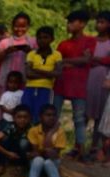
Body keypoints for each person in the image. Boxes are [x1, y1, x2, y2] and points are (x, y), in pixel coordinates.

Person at [53, 10, 96, 160]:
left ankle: (81, 151)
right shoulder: (63, 44)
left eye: (73, 21)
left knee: (79, 118)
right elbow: (57, 64)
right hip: (61, 83)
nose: (69, 25)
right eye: (68, 22)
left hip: (79, 85)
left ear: (82, 24)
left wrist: (66, 62)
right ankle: (52, 148)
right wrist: (75, 61)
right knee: (54, 116)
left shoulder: (90, 41)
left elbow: (87, 60)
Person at [26, 104, 66, 177]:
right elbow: (41, 152)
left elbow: (53, 154)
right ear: (41, 117)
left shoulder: (60, 132)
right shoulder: (33, 130)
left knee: (48, 162)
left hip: (52, 161)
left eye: (53, 115)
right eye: (48, 115)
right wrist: (51, 133)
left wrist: (51, 132)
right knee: (38, 160)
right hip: (38, 160)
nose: (51, 117)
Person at [21, 27, 62, 125]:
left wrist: (37, 70)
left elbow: (58, 73)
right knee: (27, 113)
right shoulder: (31, 54)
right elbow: (28, 74)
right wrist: (49, 74)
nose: (42, 40)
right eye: (39, 38)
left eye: (45, 37)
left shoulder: (57, 55)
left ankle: (39, 138)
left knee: (42, 116)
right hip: (29, 89)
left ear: (52, 39)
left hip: (46, 90)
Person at [0, 12, 37, 99]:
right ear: (12, 26)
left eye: (23, 26)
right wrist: (6, 52)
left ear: (28, 26)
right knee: (5, 105)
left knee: (23, 108)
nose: (19, 29)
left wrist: (30, 52)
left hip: (26, 81)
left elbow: (41, 61)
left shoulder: (33, 42)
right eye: (16, 26)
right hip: (7, 82)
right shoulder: (4, 42)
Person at [86, 10, 110, 160]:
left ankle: (96, 147)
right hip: (89, 79)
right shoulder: (91, 41)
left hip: (104, 81)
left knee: (100, 115)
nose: (99, 24)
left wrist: (95, 59)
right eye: (98, 21)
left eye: (102, 22)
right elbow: (85, 58)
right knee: (84, 112)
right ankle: (80, 145)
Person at [0, 104, 31, 177]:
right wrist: (8, 153)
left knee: (24, 143)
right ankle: (1, 166)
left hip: (24, 155)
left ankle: (22, 166)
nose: (22, 120)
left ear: (29, 118)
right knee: (4, 139)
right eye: (19, 117)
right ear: (14, 118)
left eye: (25, 117)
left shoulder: (31, 129)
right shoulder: (11, 127)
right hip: (10, 153)